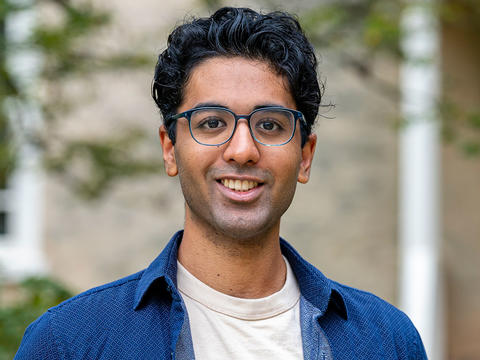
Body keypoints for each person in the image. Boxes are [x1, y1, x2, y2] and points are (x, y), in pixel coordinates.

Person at [15, 7, 427, 359]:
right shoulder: (70, 343)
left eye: (269, 124)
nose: (242, 150)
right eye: (212, 123)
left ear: (305, 155)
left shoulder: (386, 340)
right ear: (170, 149)